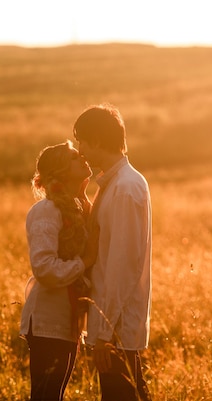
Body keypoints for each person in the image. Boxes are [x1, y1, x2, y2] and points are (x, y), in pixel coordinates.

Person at [73, 104, 152, 401]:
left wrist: (105, 333)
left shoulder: (126, 188)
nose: (80, 150)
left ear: (96, 140)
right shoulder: (113, 184)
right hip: (113, 325)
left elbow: (123, 264)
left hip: (117, 328)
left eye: (82, 141)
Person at [20, 141, 98, 401]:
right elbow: (44, 269)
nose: (83, 157)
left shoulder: (74, 209)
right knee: (46, 397)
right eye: (75, 157)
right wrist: (84, 262)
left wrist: (83, 196)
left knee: (55, 395)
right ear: (62, 171)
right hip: (47, 321)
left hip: (66, 321)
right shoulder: (46, 211)